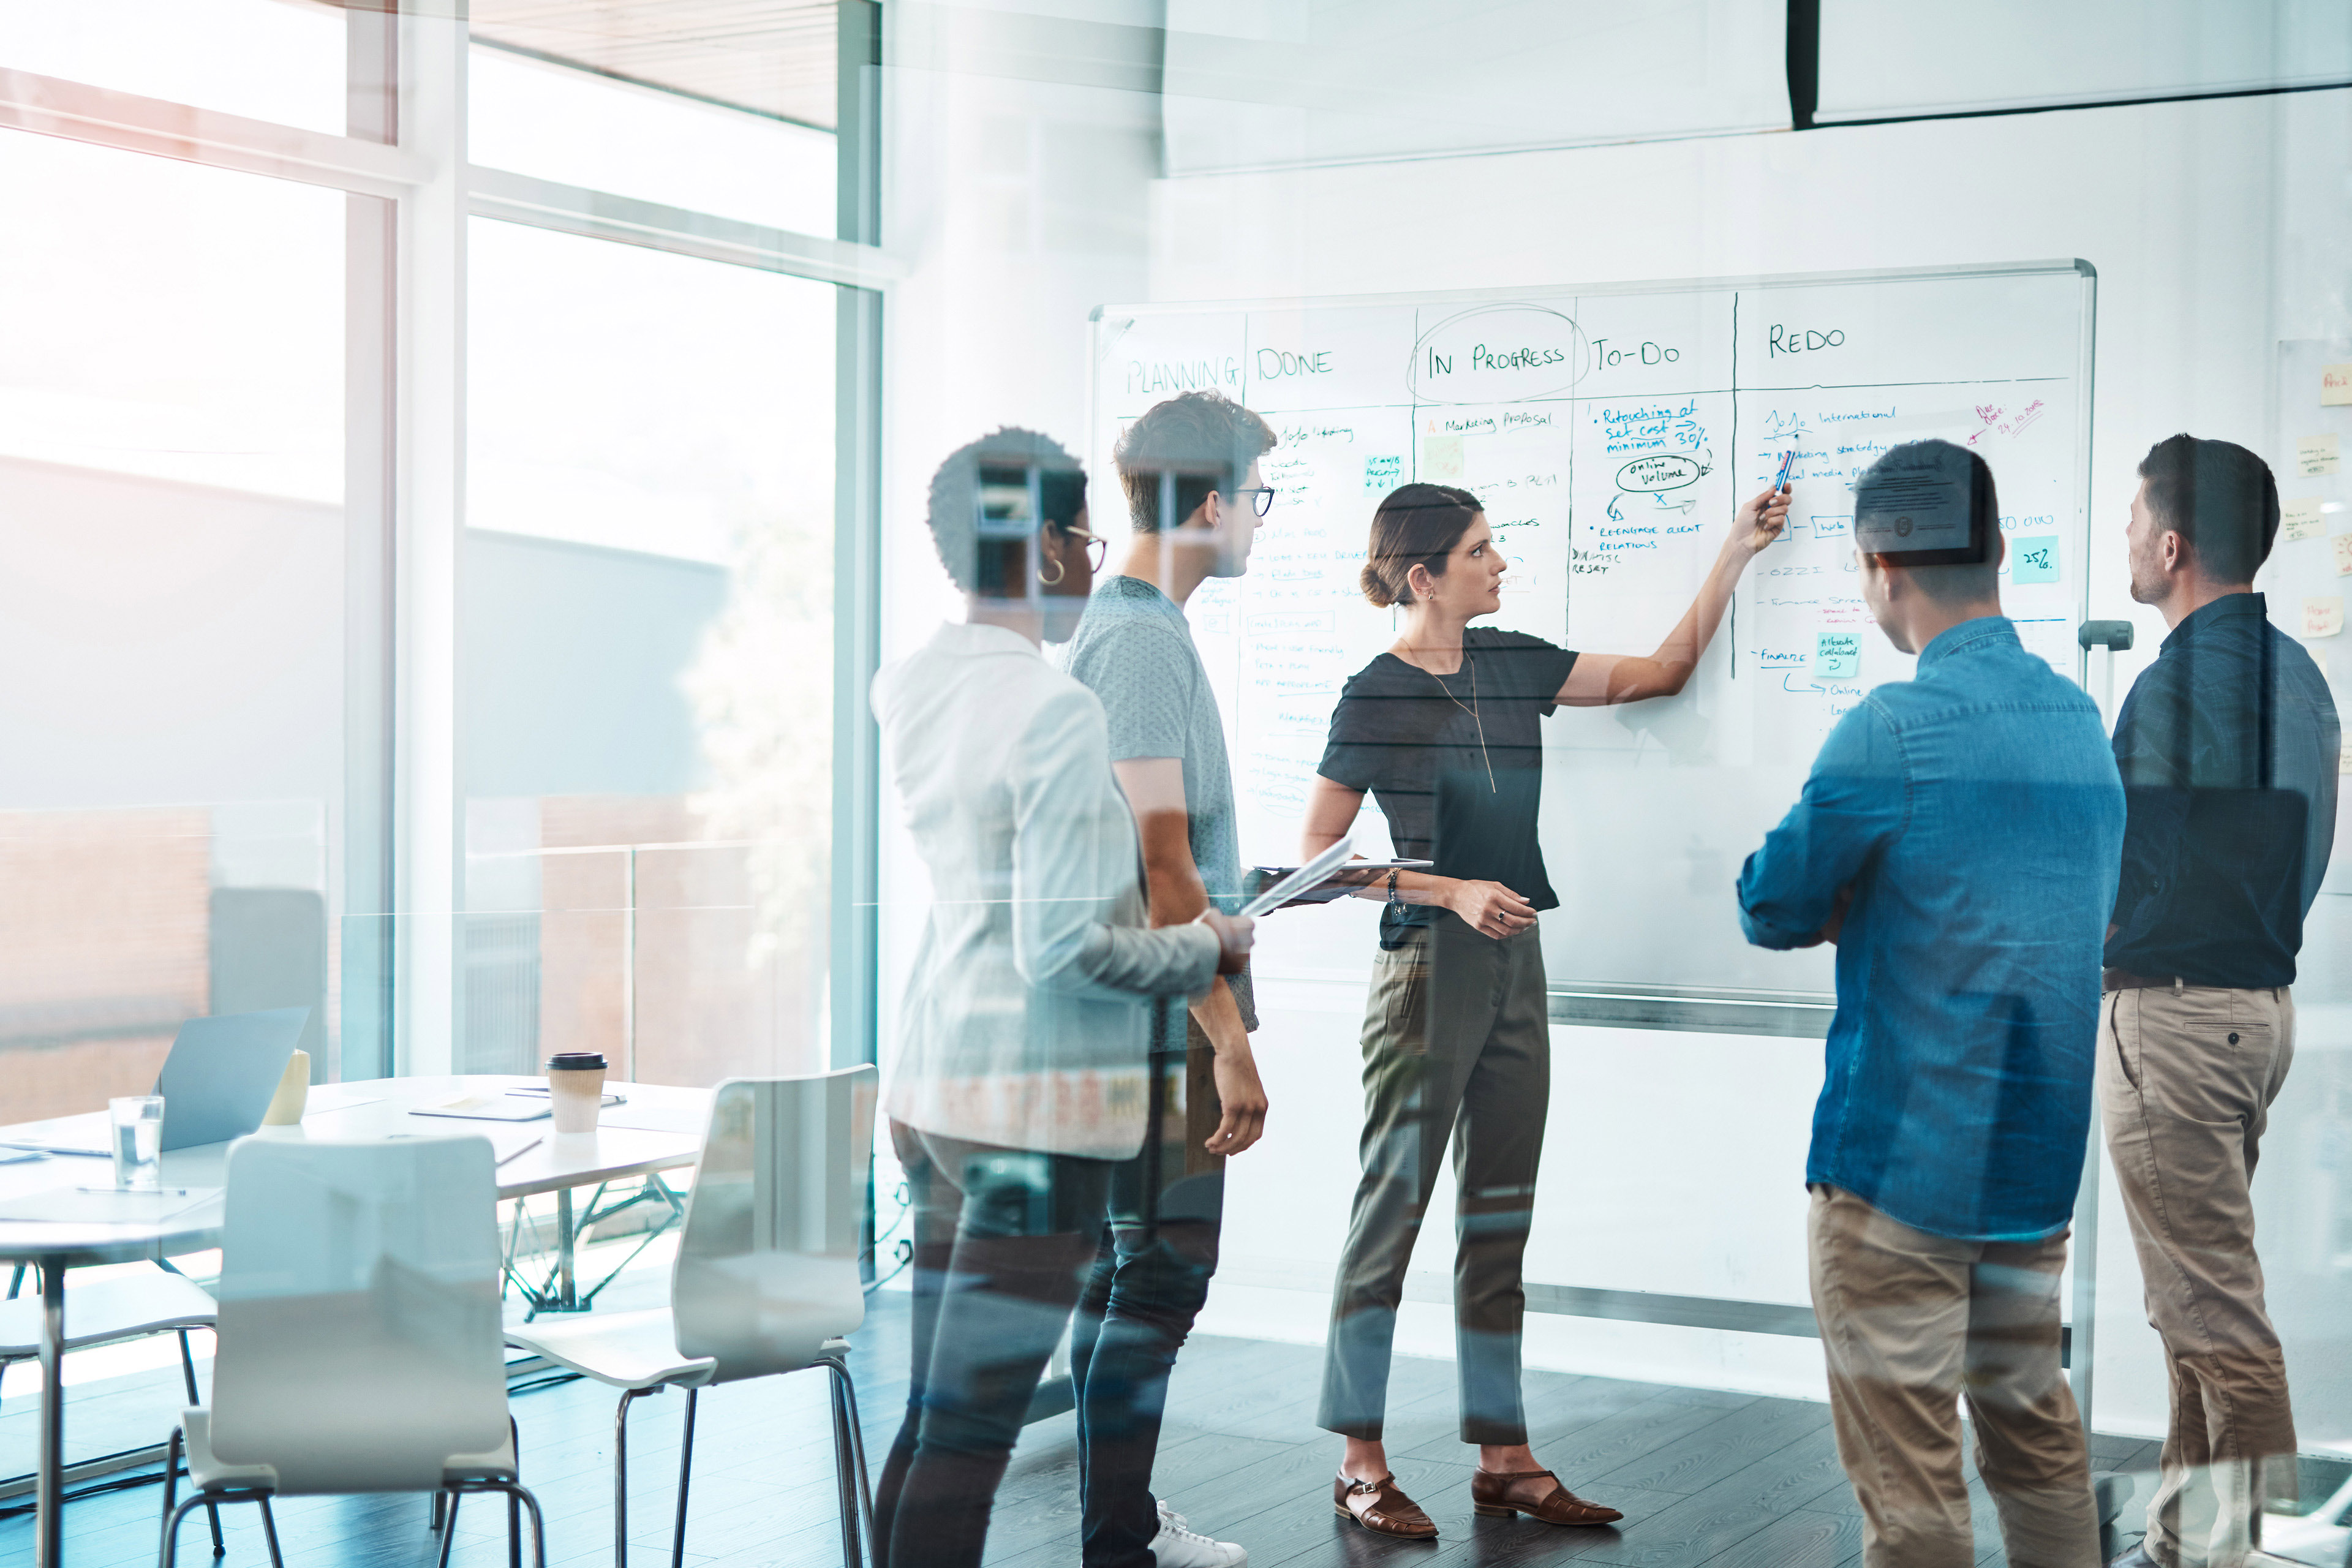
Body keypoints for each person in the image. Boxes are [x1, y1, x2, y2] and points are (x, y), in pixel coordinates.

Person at [1298, 475, 1790, 1538]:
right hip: (1426, 969)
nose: (1501, 562)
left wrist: (1736, 552)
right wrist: (1446, 887)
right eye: (1481, 550)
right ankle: (1360, 1461)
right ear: (1425, 575)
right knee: (1391, 1214)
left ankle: (1504, 1457)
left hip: (1518, 964)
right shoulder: (1372, 694)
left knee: (1498, 1218)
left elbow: (1660, 674)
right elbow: (1317, 865)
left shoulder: (1514, 661)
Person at [869, 428, 1254, 1568]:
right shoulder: (1052, 710)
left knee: (940, 1415)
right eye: (1082, 538)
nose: (1092, 562)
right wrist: (1207, 945)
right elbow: (1066, 948)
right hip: (1031, 1111)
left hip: (937, 1080)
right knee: (976, 1430)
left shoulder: (918, 685)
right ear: (1041, 547)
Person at [1738, 439, 2125, 1568]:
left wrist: (1857, 891)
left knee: (1912, 1490)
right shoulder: (2081, 729)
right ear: (2000, 553)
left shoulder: (1888, 731)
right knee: (2036, 1437)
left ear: (1877, 567)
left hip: (1898, 1171)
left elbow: (1771, 902)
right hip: (2033, 1167)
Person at [2101, 436, 2339, 1568]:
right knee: (2195, 1309)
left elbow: (2123, 867)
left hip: (2176, 1020)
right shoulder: (2300, 675)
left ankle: (2244, 1553)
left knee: (2218, 1326)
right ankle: (2178, 1542)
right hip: (2255, 1016)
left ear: (2175, 544)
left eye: (2135, 521)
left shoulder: (2175, 685)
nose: (2127, 543)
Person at [1059, 389, 1278, 1568]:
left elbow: (1167, 843)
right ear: (1206, 501)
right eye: (1256, 498)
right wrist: (1230, 1036)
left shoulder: (1140, 628)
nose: (1259, 521)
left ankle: (1122, 1532)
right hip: (1163, 1020)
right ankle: (1119, 1548)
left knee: (1130, 1277)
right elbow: (1158, 862)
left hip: (1144, 1005)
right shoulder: (1139, 638)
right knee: (1159, 1285)